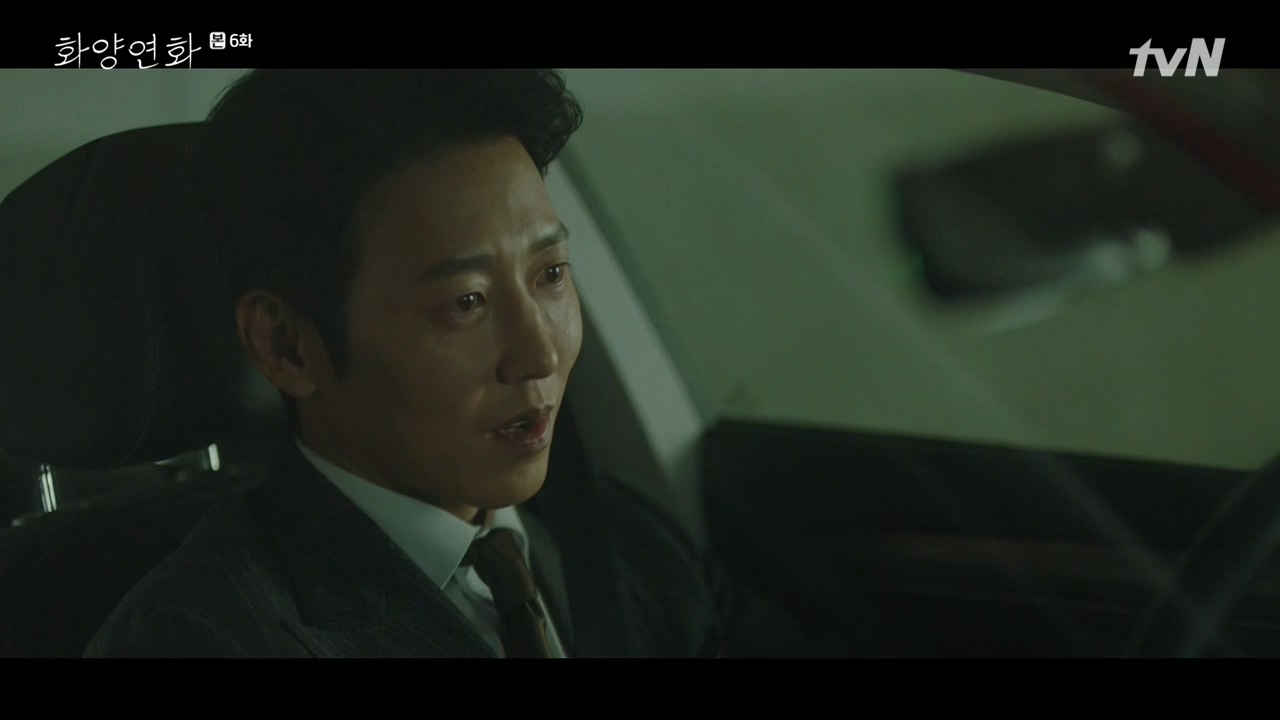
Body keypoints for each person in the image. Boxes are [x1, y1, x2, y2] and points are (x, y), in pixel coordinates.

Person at [83, 70, 726, 657]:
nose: (541, 353)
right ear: (287, 345)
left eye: (551, 273)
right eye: (466, 302)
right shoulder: (199, 638)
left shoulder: (625, 545)